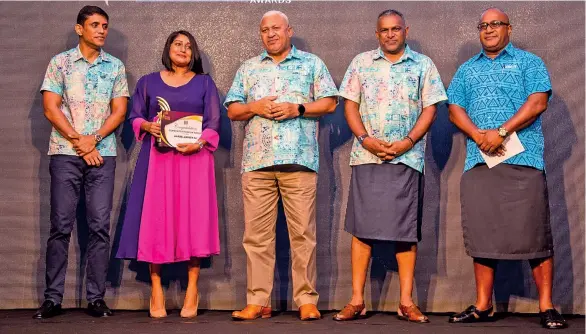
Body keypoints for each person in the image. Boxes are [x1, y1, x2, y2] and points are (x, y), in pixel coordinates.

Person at [446, 8, 567, 329]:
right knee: (483, 234)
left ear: (508, 29)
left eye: (495, 24)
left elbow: (538, 101)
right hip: (479, 161)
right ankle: (484, 305)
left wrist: (500, 132)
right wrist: (477, 135)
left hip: (523, 161)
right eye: (483, 25)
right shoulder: (466, 70)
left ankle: (546, 306)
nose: (488, 30)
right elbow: (454, 107)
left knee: (534, 233)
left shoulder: (529, 62)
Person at [333, 9, 447, 323]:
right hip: (367, 155)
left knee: (405, 231)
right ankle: (357, 300)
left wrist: (408, 142)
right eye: (384, 30)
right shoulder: (360, 62)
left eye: (396, 29)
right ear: (377, 33)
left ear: (405, 30)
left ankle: (406, 302)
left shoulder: (423, 65)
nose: (390, 34)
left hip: (407, 158)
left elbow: (431, 108)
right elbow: (350, 104)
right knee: (362, 229)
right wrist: (364, 138)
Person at [225, 10, 338, 321]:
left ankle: (306, 300)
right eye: (264, 30)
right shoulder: (248, 68)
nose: (270, 34)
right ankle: (258, 300)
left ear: (290, 30)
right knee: (256, 237)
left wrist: (297, 108)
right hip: (257, 163)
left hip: (299, 161)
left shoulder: (311, 63)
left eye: (276, 28)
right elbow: (233, 110)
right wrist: (254, 107)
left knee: (303, 233)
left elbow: (330, 102)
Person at [115, 30, 221, 319]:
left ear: (194, 53)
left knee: (193, 221)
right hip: (158, 161)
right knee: (156, 222)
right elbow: (134, 115)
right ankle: (157, 288)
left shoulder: (204, 83)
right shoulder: (148, 82)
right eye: (178, 44)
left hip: (194, 160)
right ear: (168, 48)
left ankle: (192, 289)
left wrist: (198, 142)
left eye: (189, 46)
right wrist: (145, 126)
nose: (183, 49)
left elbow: (214, 121)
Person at [34, 5, 129, 319]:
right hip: (65, 154)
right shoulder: (59, 63)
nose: (101, 30)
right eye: (95, 25)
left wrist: (94, 139)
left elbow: (119, 111)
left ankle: (96, 298)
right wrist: (79, 140)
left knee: (100, 227)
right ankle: (52, 299)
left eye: (104, 25)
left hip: (103, 154)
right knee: (60, 227)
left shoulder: (115, 66)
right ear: (79, 29)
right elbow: (51, 108)